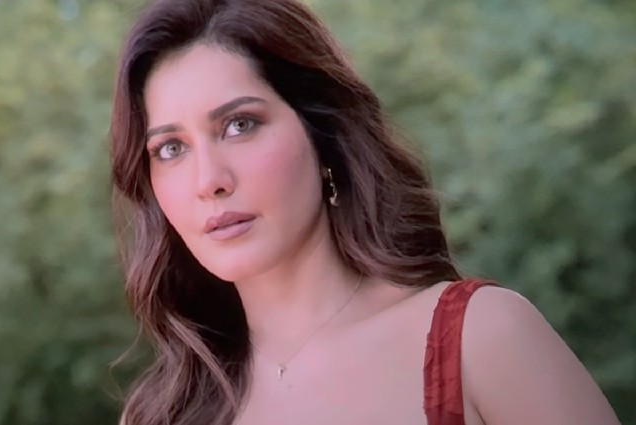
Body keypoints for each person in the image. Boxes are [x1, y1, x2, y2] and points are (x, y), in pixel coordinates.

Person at [107, 0, 621, 424]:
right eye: (170, 149)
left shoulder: (481, 337)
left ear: (323, 134)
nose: (209, 181)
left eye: (240, 125)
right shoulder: (163, 414)